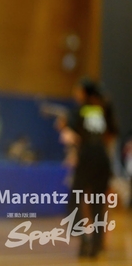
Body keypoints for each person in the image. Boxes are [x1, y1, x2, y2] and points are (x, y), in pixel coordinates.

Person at [54, 78, 117, 258]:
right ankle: (96, 244)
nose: (75, 94)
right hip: (102, 159)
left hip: (87, 157)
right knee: (97, 203)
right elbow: (111, 133)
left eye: (78, 91)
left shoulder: (79, 111)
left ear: (85, 93)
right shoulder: (104, 109)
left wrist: (64, 126)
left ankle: (83, 239)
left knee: (73, 202)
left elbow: (73, 134)